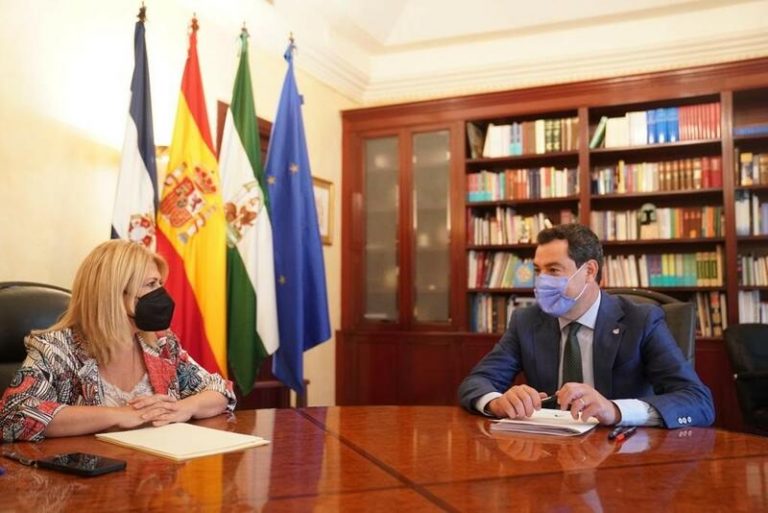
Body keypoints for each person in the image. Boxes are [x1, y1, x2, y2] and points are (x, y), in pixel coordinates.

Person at [458, 223, 714, 428]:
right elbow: (477, 382)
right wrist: (497, 402)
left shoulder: (641, 320)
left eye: (553, 270)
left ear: (589, 271)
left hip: (624, 453)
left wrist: (615, 410)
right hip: (548, 450)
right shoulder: (526, 321)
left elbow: (697, 401)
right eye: (538, 271)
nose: (542, 281)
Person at [0, 240, 236, 442]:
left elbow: (219, 390)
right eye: (150, 284)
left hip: (155, 470)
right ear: (113, 293)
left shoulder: (161, 343)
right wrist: (119, 415)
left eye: (160, 284)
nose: (161, 295)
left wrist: (184, 408)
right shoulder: (57, 348)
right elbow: (13, 416)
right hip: (87, 474)